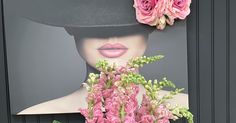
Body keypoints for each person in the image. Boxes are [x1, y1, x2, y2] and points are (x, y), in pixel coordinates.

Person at [17, 0, 188, 115]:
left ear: (153, 25)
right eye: (93, 22)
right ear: (71, 27)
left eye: (127, 24)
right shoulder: (38, 113)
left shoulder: (185, 107)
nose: (112, 36)